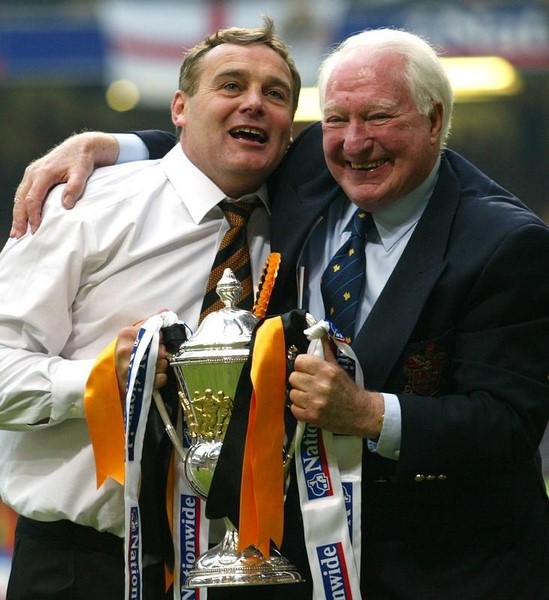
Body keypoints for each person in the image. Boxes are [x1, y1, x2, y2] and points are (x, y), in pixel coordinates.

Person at [10, 28, 549, 600]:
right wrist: (105, 143)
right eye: (337, 119)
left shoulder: (504, 243)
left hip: (436, 568)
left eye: (380, 116)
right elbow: (212, 143)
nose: (356, 141)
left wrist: (368, 413)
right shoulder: (82, 208)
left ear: (435, 121)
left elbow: (510, 424)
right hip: (88, 557)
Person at [0, 17, 300, 600]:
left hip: (243, 568)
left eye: (276, 94)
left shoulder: (303, 220)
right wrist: (94, 380)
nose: (255, 104)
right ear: (180, 108)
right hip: (84, 565)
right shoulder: (79, 206)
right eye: (232, 86)